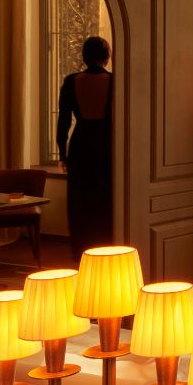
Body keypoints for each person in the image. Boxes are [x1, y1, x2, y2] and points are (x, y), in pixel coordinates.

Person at [57, 36, 113, 260]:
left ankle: (81, 251)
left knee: (80, 201)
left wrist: (62, 152)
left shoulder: (71, 81)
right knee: (105, 199)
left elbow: (64, 121)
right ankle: (107, 248)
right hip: (107, 145)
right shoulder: (115, 81)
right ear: (107, 58)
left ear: (84, 56)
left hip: (80, 144)